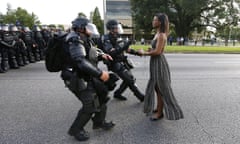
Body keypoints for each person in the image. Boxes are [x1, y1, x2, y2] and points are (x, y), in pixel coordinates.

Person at [60, 17, 115, 141]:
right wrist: (100, 74)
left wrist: (102, 56)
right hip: (76, 77)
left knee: (103, 95)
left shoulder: (84, 38)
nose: (91, 30)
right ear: (81, 28)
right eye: (88, 27)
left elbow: (90, 54)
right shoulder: (74, 40)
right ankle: (76, 130)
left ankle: (99, 121)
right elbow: (80, 61)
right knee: (89, 105)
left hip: (85, 75)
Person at [140, 13, 184, 120]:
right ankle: (159, 108)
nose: (153, 21)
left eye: (155, 20)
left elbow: (158, 52)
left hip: (159, 63)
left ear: (159, 22)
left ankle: (160, 113)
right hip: (155, 63)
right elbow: (156, 50)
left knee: (161, 89)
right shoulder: (158, 34)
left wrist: (144, 53)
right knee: (156, 87)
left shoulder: (161, 35)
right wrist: (151, 50)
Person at [98, 19, 144, 102]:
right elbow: (111, 52)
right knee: (129, 80)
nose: (117, 29)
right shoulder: (106, 38)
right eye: (116, 28)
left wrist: (137, 53)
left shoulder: (117, 37)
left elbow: (126, 49)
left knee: (130, 79)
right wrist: (125, 45)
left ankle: (118, 93)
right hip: (114, 62)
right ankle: (140, 96)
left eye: (117, 28)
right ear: (111, 29)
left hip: (122, 61)